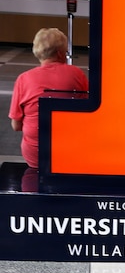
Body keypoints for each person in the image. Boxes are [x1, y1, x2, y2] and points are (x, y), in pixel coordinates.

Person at [8, 27, 89, 192]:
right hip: (69, 153)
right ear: (60, 53)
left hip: (36, 156)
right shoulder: (77, 74)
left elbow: (16, 126)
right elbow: (87, 113)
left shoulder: (24, 79)